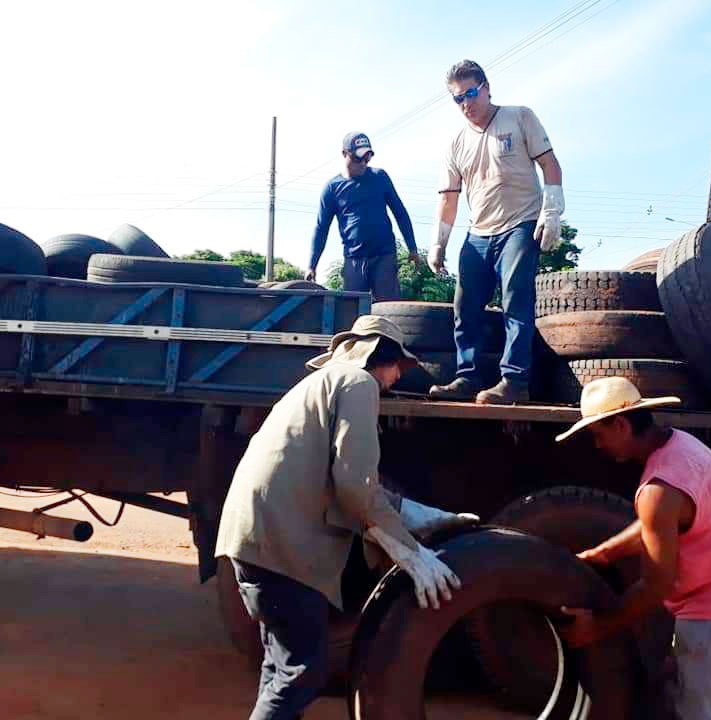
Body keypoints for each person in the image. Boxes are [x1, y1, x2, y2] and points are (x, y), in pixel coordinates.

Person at [215, 315, 478, 720]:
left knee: (280, 667)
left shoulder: (322, 384)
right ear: (379, 357)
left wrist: (425, 517)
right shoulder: (359, 384)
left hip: (254, 538)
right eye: (398, 368)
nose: (396, 378)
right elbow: (354, 486)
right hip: (281, 545)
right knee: (303, 672)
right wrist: (410, 553)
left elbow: (352, 485)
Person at [554, 377, 711, 720]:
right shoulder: (681, 446)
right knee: (693, 694)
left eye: (599, 435)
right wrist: (603, 554)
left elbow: (656, 585)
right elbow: (658, 524)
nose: (597, 445)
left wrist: (596, 628)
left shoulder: (658, 490)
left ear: (621, 424)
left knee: (703, 713)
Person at [427, 59, 565, 405]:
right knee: (465, 305)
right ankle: (468, 377)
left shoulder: (519, 117)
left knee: (515, 299)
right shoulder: (456, 143)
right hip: (479, 232)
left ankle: (515, 381)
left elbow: (550, 164)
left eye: (471, 94)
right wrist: (438, 243)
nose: (466, 104)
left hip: (520, 224)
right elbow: (449, 197)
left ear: (486, 88)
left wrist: (551, 212)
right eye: (458, 99)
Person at [306, 132, 419, 301]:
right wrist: (312, 265)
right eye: (358, 158)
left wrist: (412, 248)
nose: (363, 163)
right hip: (354, 259)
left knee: (388, 309)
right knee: (353, 310)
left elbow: (400, 213)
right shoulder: (332, 188)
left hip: (384, 256)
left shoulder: (379, 177)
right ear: (345, 154)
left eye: (367, 158)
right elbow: (321, 228)